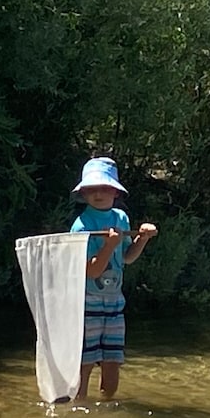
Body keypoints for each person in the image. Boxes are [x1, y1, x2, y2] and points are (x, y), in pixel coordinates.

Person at [70, 157, 157, 401]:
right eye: (92, 189)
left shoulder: (120, 218)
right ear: (84, 193)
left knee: (112, 361)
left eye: (104, 187)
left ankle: (106, 408)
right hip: (87, 303)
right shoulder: (82, 225)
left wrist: (143, 239)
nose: (98, 193)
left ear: (115, 192)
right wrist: (108, 245)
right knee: (84, 363)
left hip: (115, 303)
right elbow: (92, 271)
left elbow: (127, 258)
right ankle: (79, 407)